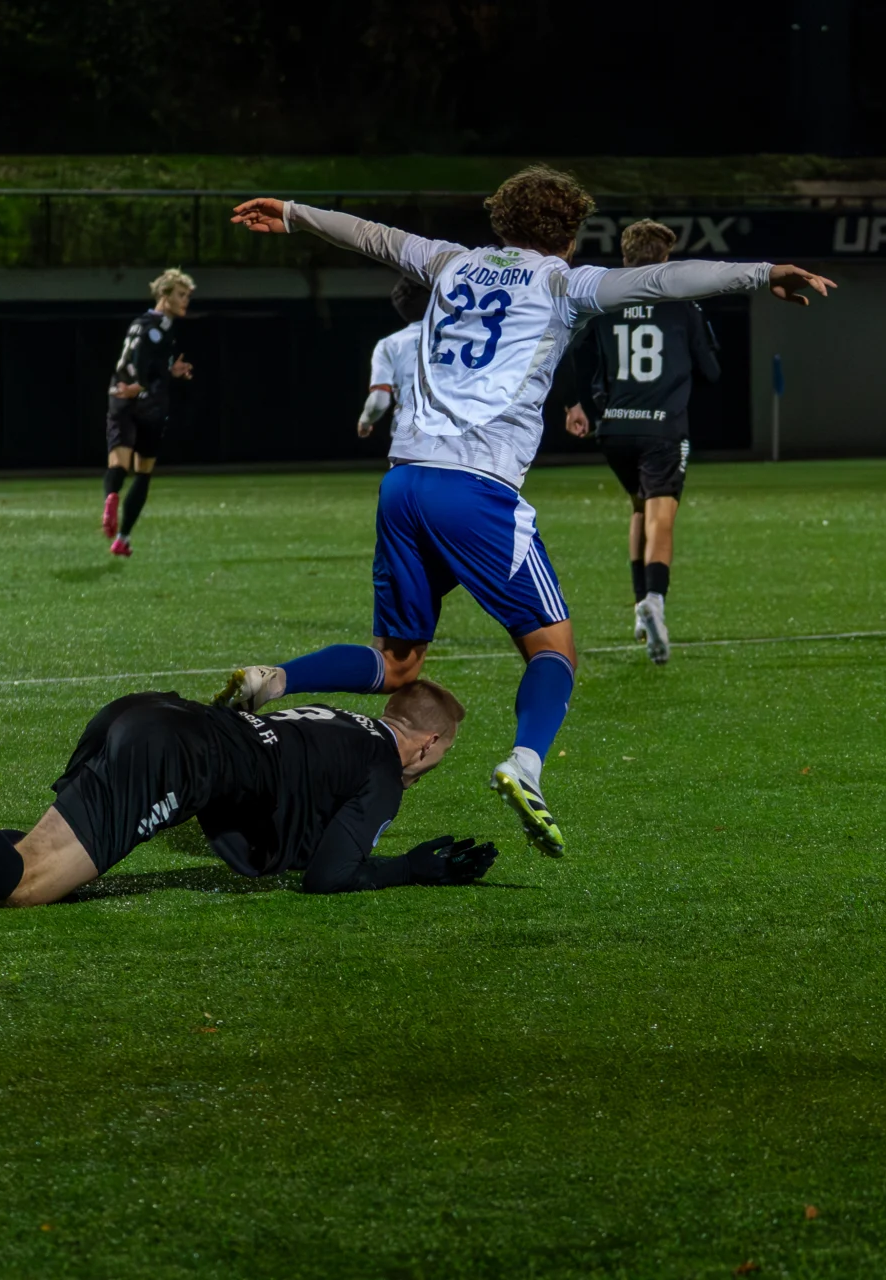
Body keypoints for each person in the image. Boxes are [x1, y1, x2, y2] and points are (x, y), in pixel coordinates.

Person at [217, 167, 835, 856]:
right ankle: (526, 764)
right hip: (475, 491)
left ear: (500, 222)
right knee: (554, 649)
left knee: (398, 664)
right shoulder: (563, 283)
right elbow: (667, 281)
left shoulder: (448, 261)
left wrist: (294, 212)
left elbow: (372, 236)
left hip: (404, 482)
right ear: (569, 235)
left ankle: (273, 679)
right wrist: (764, 274)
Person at [0, 681, 497, 904]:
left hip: (153, 715)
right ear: (429, 743)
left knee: (39, 851)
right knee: (26, 884)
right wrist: (413, 869)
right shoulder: (383, 770)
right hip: (175, 756)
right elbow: (327, 877)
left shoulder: (336, 720)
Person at [561, 219, 722, 664]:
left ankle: (639, 604)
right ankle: (654, 598)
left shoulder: (604, 303)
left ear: (627, 257)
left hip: (615, 430)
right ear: (665, 260)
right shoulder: (682, 306)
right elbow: (711, 372)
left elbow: (573, 353)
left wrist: (575, 405)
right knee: (661, 515)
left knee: (638, 505)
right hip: (662, 428)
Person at [100, 269, 196, 558]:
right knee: (143, 472)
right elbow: (142, 357)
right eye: (181, 295)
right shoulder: (157, 327)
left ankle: (111, 498)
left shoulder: (143, 324)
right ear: (164, 295)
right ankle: (123, 538)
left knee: (118, 464)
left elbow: (146, 358)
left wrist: (170, 370)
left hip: (120, 396)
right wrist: (141, 384)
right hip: (147, 402)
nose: (185, 301)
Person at [356, 277, 430, 438]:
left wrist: (365, 421)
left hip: (412, 436)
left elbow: (379, 400)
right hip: (461, 439)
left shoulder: (390, 344)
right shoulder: (462, 338)